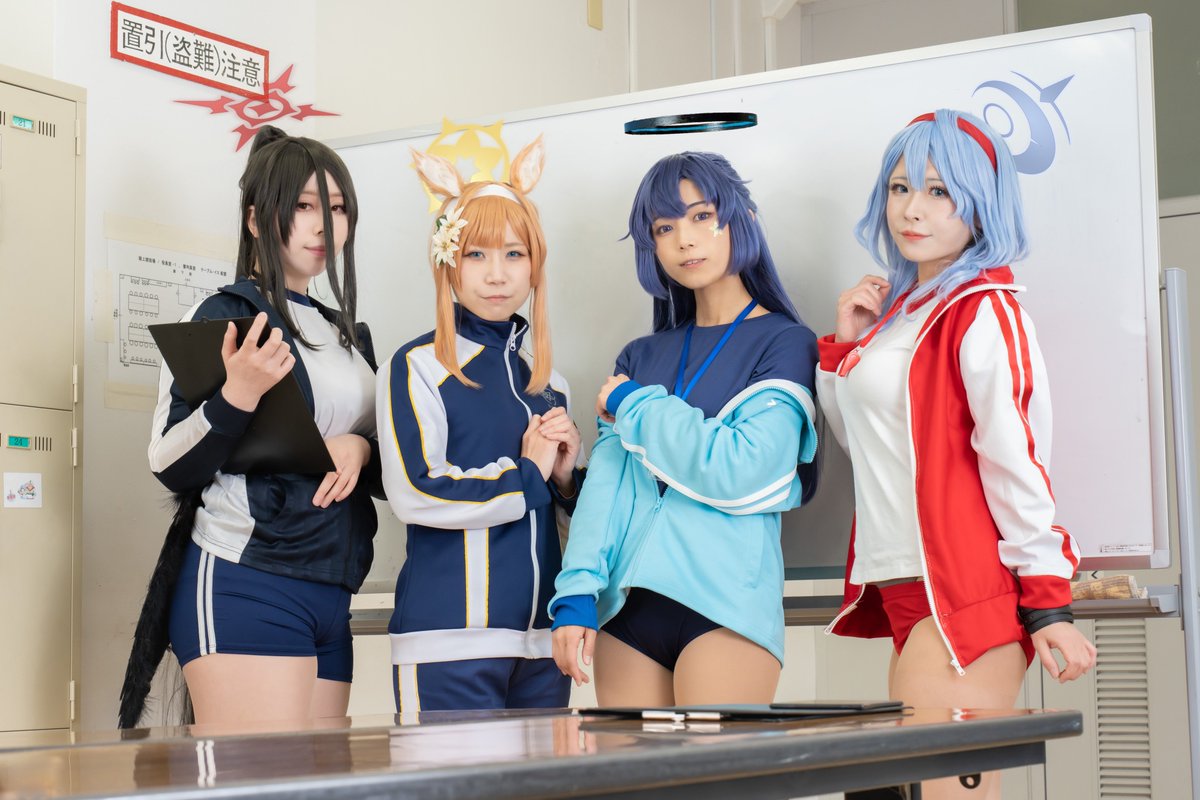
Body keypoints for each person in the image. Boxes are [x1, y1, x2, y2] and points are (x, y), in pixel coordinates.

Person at [817, 109, 1097, 799]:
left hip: (965, 594)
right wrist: (845, 350)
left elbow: (1016, 461)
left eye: (940, 191)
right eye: (901, 187)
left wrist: (1048, 604)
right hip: (906, 586)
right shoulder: (902, 313)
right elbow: (866, 447)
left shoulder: (985, 309)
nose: (913, 209)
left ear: (981, 203)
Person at [119, 125, 381, 727]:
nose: (325, 225)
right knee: (260, 774)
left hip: (332, 587)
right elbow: (168, 461)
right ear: (258, 220)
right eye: (305, 207)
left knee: (321, 775)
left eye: (338, 208)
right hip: (248, 578)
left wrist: (360, 449)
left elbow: (390, 459)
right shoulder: (225, 315)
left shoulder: (347, 333)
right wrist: (237, 394)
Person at [550, 151, 819, 705]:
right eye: (664, 228)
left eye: (702, 216)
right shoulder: (640, 356)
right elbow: (608, 490)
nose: (685, 240)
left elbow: (745, 470)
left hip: (726, 609)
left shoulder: (785, 343)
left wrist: (635, 404)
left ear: (740, 218)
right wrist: (576, 592)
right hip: (626, 611)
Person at [378, 136, 582, 712]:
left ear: (535, 265)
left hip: (543, 647)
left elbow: (559, 522)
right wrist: (527, 474)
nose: (497, 275)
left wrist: (565, 480)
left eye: (514, 254)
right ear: (448, 261)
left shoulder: (550, 383)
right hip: (448, 642)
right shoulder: (417, 366)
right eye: (476, 255)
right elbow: (417, 491)